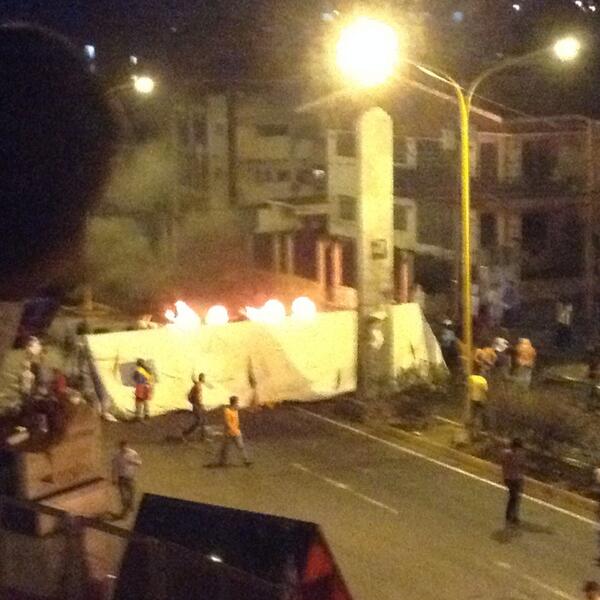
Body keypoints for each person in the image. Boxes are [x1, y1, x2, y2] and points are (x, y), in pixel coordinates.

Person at [218, 396, 251, 467]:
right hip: (229, 433)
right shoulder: (227, 411)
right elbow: (227, 422)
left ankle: (246, 460)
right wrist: (233, 430)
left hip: (236, 432)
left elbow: (243, 408)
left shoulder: (235, 409)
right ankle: (222, 462)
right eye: (237, 402)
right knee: (225, 448)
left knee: (241, 447)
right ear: (234, 403)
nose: (238, 404)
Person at [112, 440, 142, 518]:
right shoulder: (117, 456)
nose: (123, 448)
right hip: (121, 478)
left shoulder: (133, 453)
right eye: (121, 446)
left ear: (127, 445)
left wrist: (133, 462)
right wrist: (114, 478)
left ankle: (130, 506)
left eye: (124, 446)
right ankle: (125, 512)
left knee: (132, 493)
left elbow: (139, 463)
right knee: (123, 496)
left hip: (130, 477)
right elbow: (115, 467)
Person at [501, 438, 525, 527]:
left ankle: (513, 516)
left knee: (516, 498)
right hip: (510, 478)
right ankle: (510, 516)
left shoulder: (518, 455)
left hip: (516, 478)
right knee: (513, 497)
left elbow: (521, 466)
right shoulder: (508, 454)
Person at [182, 372, 210, 440]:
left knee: (202, 421)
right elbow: (196, 398)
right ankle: (185, 434)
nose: (205, 379)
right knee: (199, 421)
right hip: (198, 406)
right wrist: (197, 404)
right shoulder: (198, 386)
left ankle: (203, 437)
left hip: (198, 406)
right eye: (204, 378)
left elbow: (191, 396)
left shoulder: (198, 385)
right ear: (202, 378)